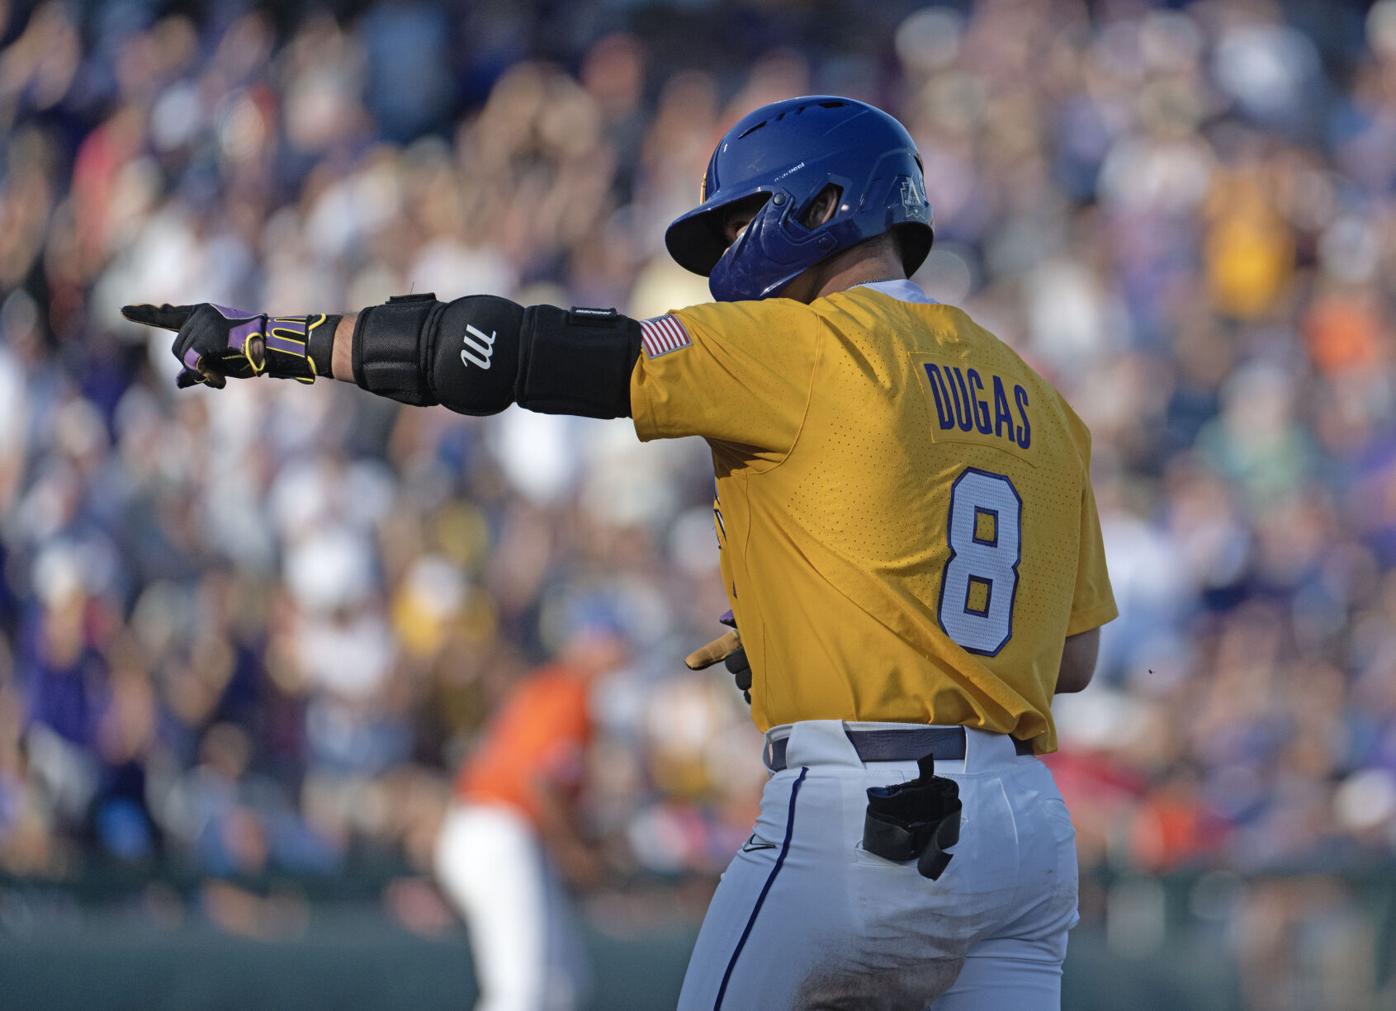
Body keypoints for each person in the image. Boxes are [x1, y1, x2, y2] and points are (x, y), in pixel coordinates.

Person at [123, 96, 1116, 1010]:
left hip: (861, 820)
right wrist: (839, 622)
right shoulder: (1042, 400)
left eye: (740, 219)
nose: (729, 246)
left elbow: (505, 350)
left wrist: (273, 342)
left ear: (820, 205)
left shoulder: (805, 344)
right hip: (1023, 840)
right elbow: (1069, 663)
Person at [433, 611, 621, 1011]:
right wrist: (574, 852)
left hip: (493, 832)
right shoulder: (569, 691)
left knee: (562, 984)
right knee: (523, 991)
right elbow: (540, 782)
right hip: (498, 831)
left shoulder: (550, 688)